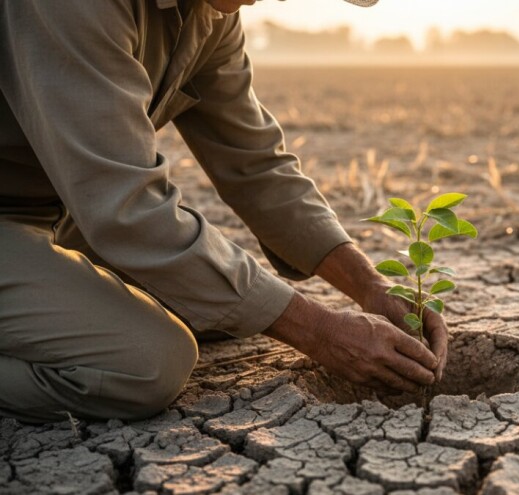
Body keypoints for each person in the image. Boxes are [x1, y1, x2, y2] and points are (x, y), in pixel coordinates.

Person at [0, 0, 448, 423]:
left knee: (212, 305)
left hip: (60, 213)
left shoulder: (209, 14)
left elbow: (255, 165)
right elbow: (126, 209)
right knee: (148, 362)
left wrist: (369, 285)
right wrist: (320, 331)